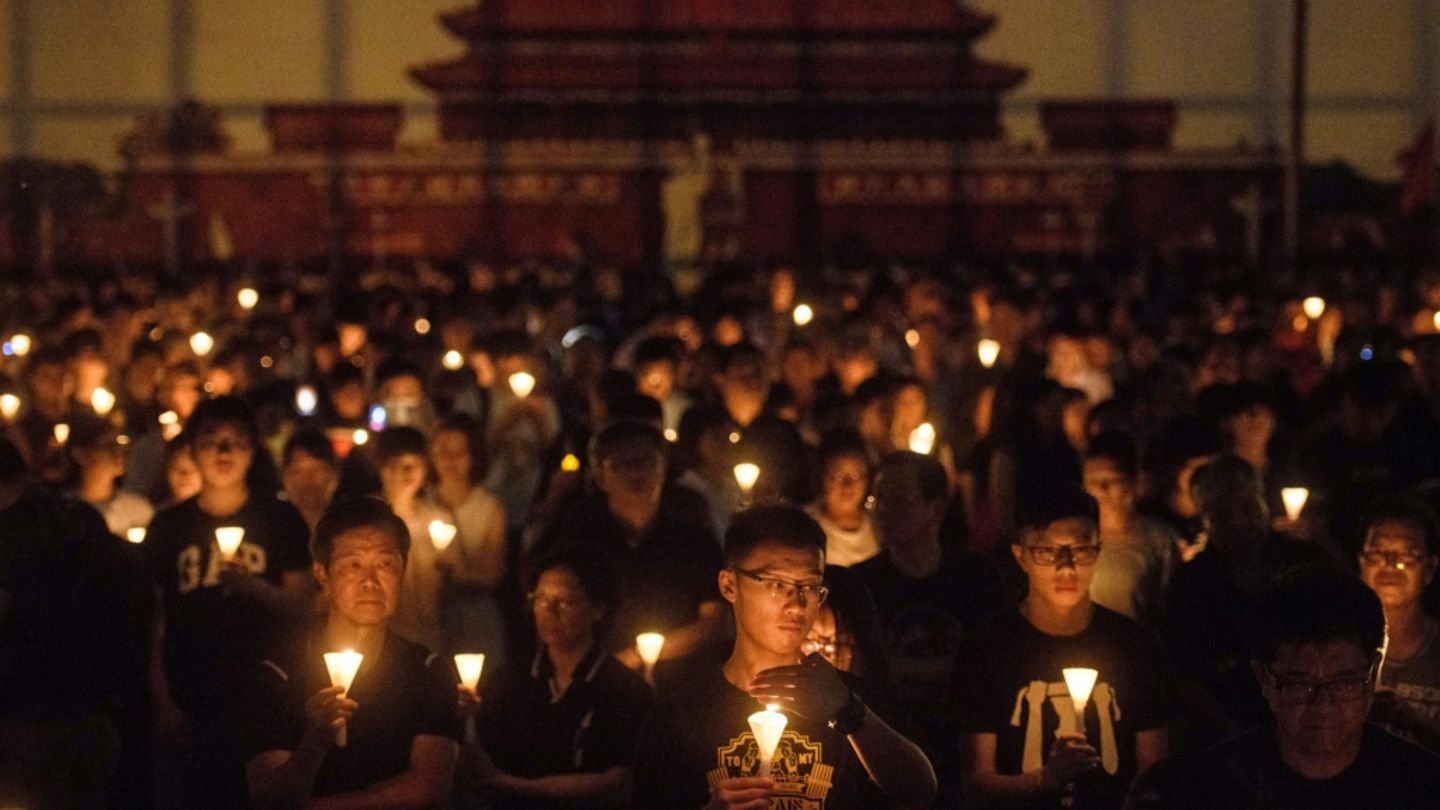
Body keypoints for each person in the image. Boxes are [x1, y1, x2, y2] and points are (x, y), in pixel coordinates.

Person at [631, 504, 937, 809]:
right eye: (777, 585)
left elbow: (920, 792)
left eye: (810, 586)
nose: (797, 605)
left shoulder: (845, 699)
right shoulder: (679, 716)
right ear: (729, 585)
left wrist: (847, 711)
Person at [1127, 566, 1440, 809]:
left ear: (1372, 674)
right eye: (1300, 684)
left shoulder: (1420, 787)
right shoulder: (1206, 790)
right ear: (1263, 677)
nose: (1323, 704)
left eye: (1345, 682)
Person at [144, 396, 314, 808]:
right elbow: (153, 621)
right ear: (192, 450)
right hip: (192, 693)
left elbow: (303, 607)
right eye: (211, 441)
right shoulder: (169, 526)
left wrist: (253, 586)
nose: (223, 452)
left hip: (267, 692)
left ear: (252, 450)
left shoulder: (279, 519)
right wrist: (162, 699)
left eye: (235, 441)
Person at [955, 489, 1172, 810]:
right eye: (1047, 551)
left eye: (1081, 550)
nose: (1066, 567)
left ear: (1099, 551)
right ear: (1020, 555)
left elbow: (1155, 773)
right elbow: (976, 785)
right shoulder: (986, 650)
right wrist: (1045, 778)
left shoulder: (1134, 646)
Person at [243, 497, 460, 808]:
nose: (370, 581)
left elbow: (428, 786)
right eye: (353, 565)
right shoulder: (279, 674)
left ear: (403, 571)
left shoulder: (428, 670)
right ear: (322, 575)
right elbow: (269, 795)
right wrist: (315, 741)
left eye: (385, 564)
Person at [853, 451, 1002, 803]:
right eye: (878, 499)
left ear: (936, 508)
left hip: (965, 746)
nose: (884, 511)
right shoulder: (861, 584)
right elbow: (859, 672)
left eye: (900, 500)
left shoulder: (976, 578)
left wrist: (898, 668)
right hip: (886, 747)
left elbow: (986, 670)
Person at [461, 551, 652, 808]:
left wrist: (510, 783)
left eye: (565, 601)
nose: (549, 611)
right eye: (540, 599)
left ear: (598, 608)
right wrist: (465, 719)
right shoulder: (508, 680)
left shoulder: (625, 689)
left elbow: (617, 782)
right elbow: (481, 761)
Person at [542, 420, 724, 681]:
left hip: (678, 680)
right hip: (597, 679)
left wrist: (637, 655)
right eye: (623, 463)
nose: (636, 472)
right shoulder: (582, 536)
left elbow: (714, 622)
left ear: (663, 468)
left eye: (646, 461)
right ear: (601, 476)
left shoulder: (692, 537)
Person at [1357, 496, 1440, 750]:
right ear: (1362, 562)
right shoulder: (1337, 647)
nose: (1391, 564)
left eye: (1407, 553)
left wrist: (1406, 716)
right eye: (1379, 551)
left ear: (1429, 568)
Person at [427, 414, 507, 659]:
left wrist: (454, 570)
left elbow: (491, 574)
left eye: (459, 452)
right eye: (443, 452)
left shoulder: (489, 508)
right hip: (428, 618)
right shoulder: (420, 504)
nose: (450, 461)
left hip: (474, 620)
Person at [1081, 432, 1176, 629]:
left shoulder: (1159, 539)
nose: (1101, 489)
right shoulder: (1077, 537)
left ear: (1134, 480)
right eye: (1092, 480)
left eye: (1112, 479)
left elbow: (1170, 605)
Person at [374, 426, 453, 655]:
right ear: (380, 468)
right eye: (394, 465)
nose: (405, 473)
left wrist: (449, 572)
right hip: (387, 640)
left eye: (413, 465)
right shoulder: (370, 522)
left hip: (432, 635)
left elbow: (450, 588)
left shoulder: (439, 518)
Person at [806, 429, 879, 567]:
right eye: (837, 476)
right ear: (821, 477)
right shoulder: (805, 527)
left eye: (856, 476)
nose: (848, 485)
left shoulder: (880, 526)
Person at [280, 429, 339, 532]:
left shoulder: (347, 527)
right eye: (298, 472)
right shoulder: (272, 529)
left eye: (317, 470)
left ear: (334, 475)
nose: (308, 480)